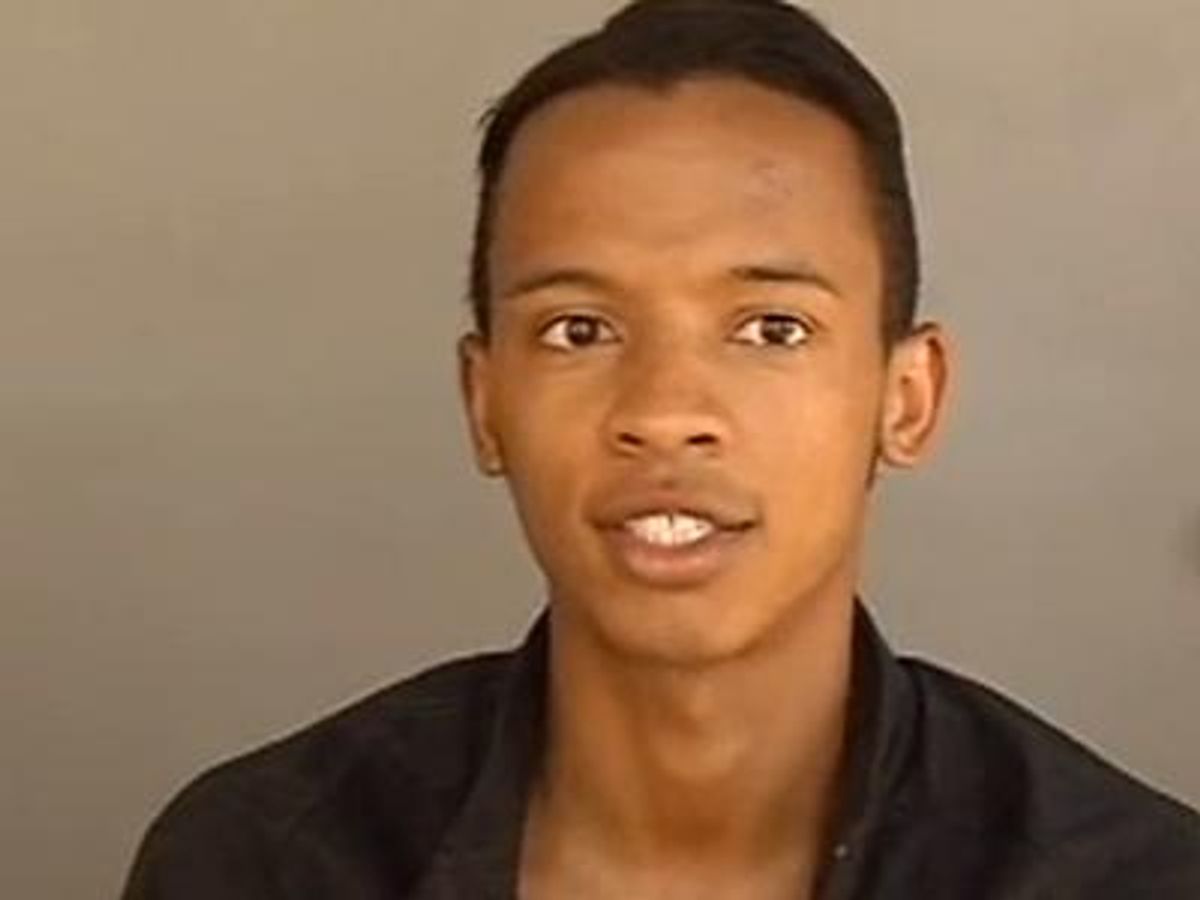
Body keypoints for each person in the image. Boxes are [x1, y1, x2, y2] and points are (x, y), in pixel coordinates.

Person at [122, 1, 1200, 897]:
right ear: (485, 403)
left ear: (907, 399)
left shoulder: (1129, 878)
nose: (667, 410)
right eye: (578, 330)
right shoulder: (263, 862)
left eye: (771, 329)